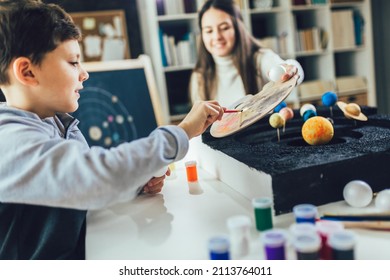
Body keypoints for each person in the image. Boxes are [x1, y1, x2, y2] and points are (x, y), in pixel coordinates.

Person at [0, 0, 224, 259]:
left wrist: (133, 183)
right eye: (73, 62)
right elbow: (94, 176)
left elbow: (82, 192)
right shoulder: (9, 142)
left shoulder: (54, 123)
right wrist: (182, 132)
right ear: (27, 72)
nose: (84, 74)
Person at [190, 0, 304, 107]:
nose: (217, 37)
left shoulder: (260, 58)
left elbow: (288, 69)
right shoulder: (199, 76)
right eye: (209, 31)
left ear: (238, 28)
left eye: (224, 28)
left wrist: (290, 70)